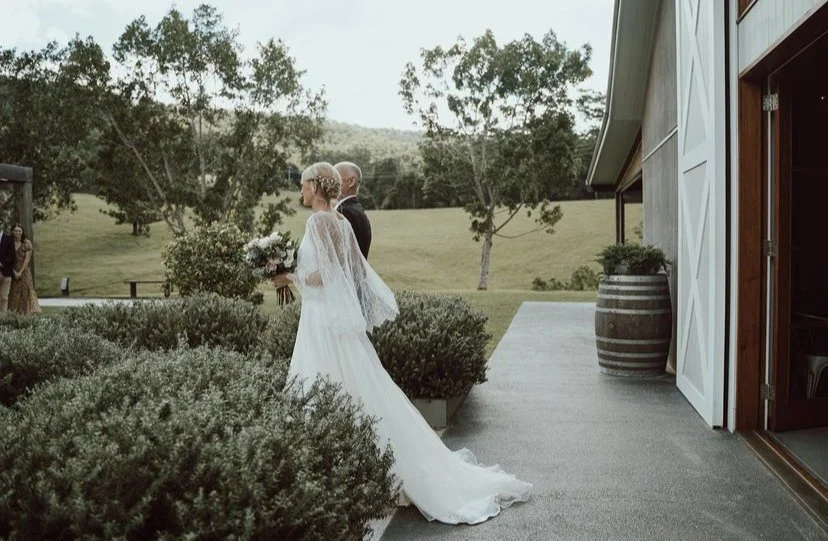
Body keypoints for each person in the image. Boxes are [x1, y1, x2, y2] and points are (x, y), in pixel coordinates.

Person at [272, 162, 531, 525]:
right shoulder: (342, 223)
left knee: (324, 385)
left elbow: (325, 274)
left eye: (303, 185)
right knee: (360, 388)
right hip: (333, 321)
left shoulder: (317, 222)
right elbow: (353, 271)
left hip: (320, 322)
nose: (300, 191)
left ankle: (324, 467)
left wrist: (289, 275)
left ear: (316, 186)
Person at [333, 161, 372, 259]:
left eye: (334, 178)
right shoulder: (355, 209)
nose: (329, 183)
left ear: (351, 182)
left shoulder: (345, 213)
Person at [8, 224, 40, 315]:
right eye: (16, 231)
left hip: (24, 271)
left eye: (20, 231)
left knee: (25, 291)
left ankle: (26, 313)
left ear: (22, 232)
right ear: (12, 232)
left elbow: (27, 259)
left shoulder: (27, 243)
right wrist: (14, 271)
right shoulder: (9, 243)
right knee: (13, 292)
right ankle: (13, 313)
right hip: (12, 271)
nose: (18, 233)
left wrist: (20, 272)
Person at [0, 226, 15, 313]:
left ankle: (3, 318)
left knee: (4, 297)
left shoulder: (9, 239)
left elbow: (12, 256)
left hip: (6, 272)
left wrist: (2, 264)